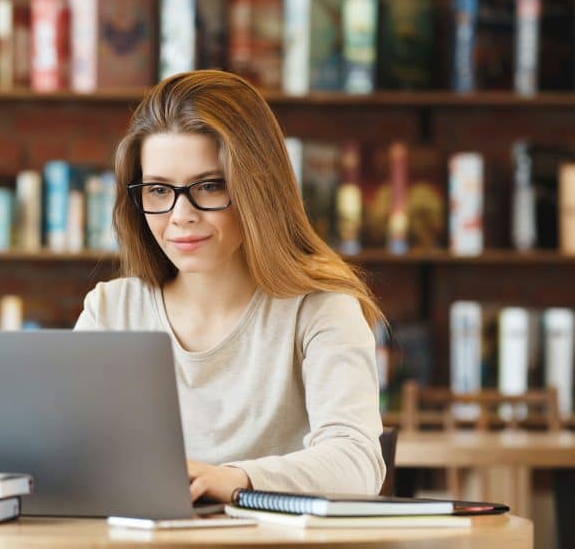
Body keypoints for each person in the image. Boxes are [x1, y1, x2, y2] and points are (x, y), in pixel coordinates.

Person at [74, 70, 385, 503]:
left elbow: (356, 464)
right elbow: (68, 451)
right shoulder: (112, 309)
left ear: (258, 187)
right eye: (159, 190)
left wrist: (232, 478)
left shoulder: (321, 307)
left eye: (209, 186)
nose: (180, 215)